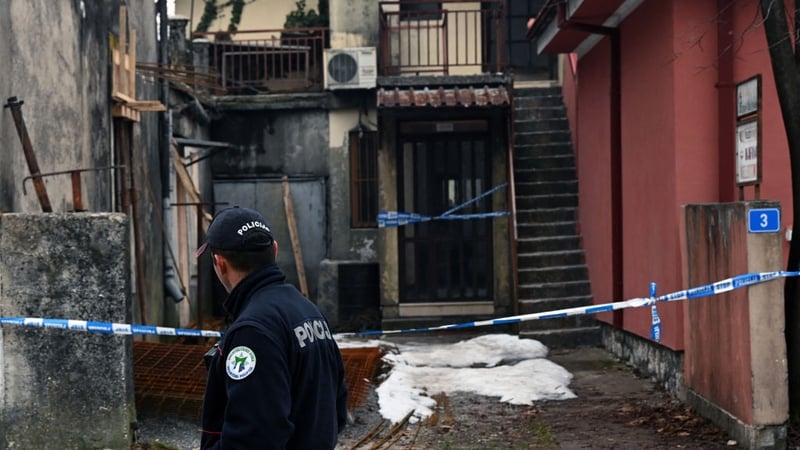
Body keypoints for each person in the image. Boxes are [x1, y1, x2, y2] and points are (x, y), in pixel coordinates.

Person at [195, 206, 348, 449]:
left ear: (220, 263)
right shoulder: (308, 311)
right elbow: (337, 408)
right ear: (274, 249)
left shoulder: (252, 332)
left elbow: (253, 438)